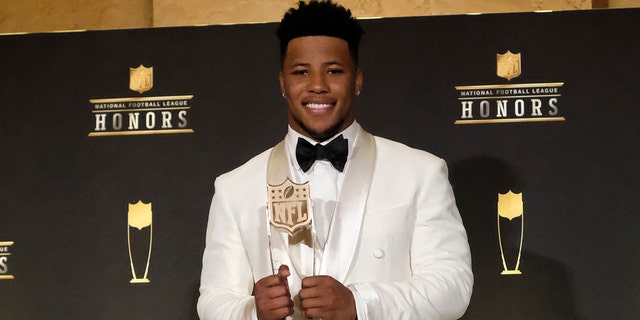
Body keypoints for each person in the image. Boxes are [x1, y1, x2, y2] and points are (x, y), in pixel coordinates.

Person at [197, 1, 473, 319]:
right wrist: (252, 312)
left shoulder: (420, 172)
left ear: (357, 80)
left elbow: (453, 286)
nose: (318, 85)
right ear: (282, 83)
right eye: (301, 72)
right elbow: (214, 301)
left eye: (334, 71)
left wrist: (360, 303)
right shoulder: (235, 187)